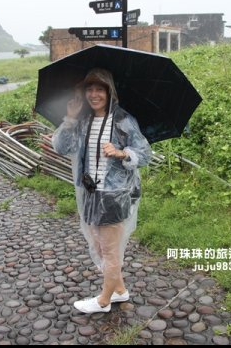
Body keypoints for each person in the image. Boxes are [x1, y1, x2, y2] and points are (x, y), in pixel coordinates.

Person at [52, 68, 152, 314]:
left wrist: (121, 153)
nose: (94, 94)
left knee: (109, 250)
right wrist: (71, 117)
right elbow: (63, 147)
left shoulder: (123, 120)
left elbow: (145, 153)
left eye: (100, 89)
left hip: (113, 194)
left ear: (110, 92)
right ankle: (120, 291)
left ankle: (104, 301)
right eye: (90, 89)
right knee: (98, 246)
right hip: (90, 192)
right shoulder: (84, 120)